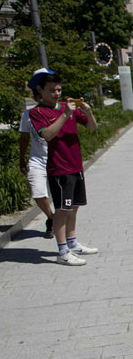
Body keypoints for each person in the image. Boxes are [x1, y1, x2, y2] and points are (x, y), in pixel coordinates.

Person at [27, 69, 98, 266]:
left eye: (59, 90)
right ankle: (62, 251)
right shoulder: (37, 112)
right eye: (52, 90)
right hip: (59, 169)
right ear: (40, 90)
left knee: (74, 208)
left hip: (75, 165)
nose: (57, 94)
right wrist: (65, 115)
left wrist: (88, 112)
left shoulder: (68, 108)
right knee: (61, 210)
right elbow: (47, 135)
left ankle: (72, 243)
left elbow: (92, 127)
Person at [18, 81, 54, 238]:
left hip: (56, 157)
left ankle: (60, 225)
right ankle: (51, 218)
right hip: (37, 158)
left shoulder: (57, 112)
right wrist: (22, 158)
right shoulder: (27, 115)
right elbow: (24, 138)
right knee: (37, 191)